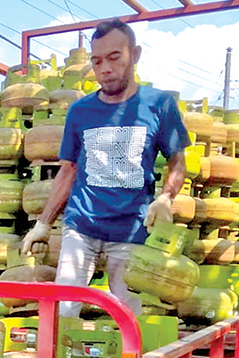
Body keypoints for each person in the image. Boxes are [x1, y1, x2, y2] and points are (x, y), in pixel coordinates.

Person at [20, 19, 190, 318]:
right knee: (64, 313)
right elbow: (69, 169)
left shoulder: (158, 105)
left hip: (132, 230)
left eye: (115, 57)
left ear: (134, 55)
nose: (105, 69)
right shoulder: (80, 111)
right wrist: (44, 223)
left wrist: (166, 197)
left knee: (129, 318)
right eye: (97, 61)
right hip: (81, 227)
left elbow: (177, 160)